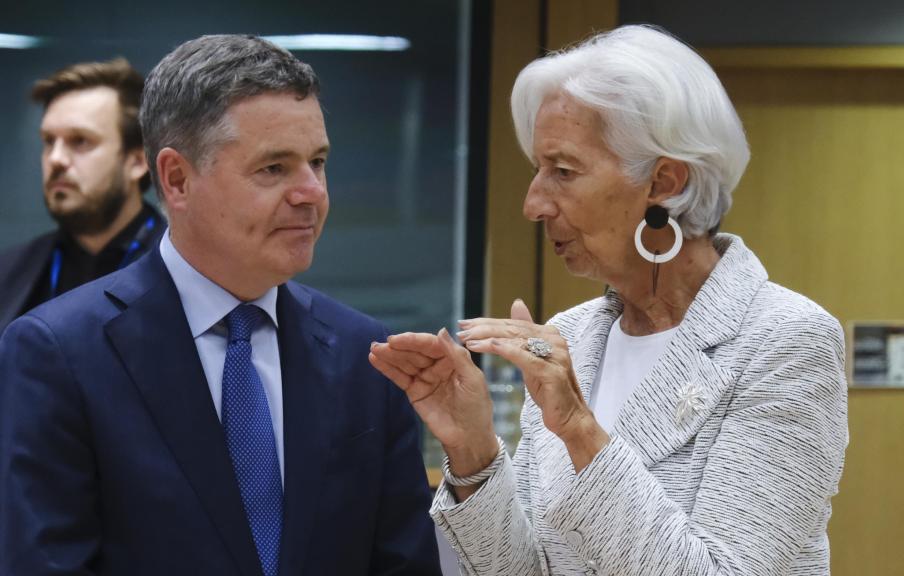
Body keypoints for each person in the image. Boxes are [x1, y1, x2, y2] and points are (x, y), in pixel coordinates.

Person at [369, 25, 848, 575]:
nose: (533, 204)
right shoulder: (572, 335)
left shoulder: (784, 338)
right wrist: (473, 447)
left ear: (664, 182)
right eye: (536, 170)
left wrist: (579, 429)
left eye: (563, 171)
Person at [0, 35, 441, 576]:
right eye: (273, 168)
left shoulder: (365, 355)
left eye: (318, 162)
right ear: (178, 179)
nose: (311, 193)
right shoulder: (59, 353)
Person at [0, 58, 165, 333]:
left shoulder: (186, 270)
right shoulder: (9, 271)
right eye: (49, 141)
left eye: (80, 141)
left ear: (137, 162)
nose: (56, 159)